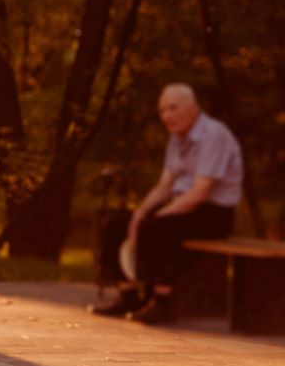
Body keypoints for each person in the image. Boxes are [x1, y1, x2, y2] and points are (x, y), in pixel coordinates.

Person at [90, 83, 243, 324]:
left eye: (173, 108)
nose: (166, 116)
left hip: (214, 212)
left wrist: (155, 218)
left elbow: (200, 192)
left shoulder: (214, 135)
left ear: (192, 108)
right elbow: (165, 185)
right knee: (115, 223)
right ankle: (128, 294)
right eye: (162, 110)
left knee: (157, 228)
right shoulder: (176, 138)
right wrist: (140, 213)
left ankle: (163, 301)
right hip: (183, 204)